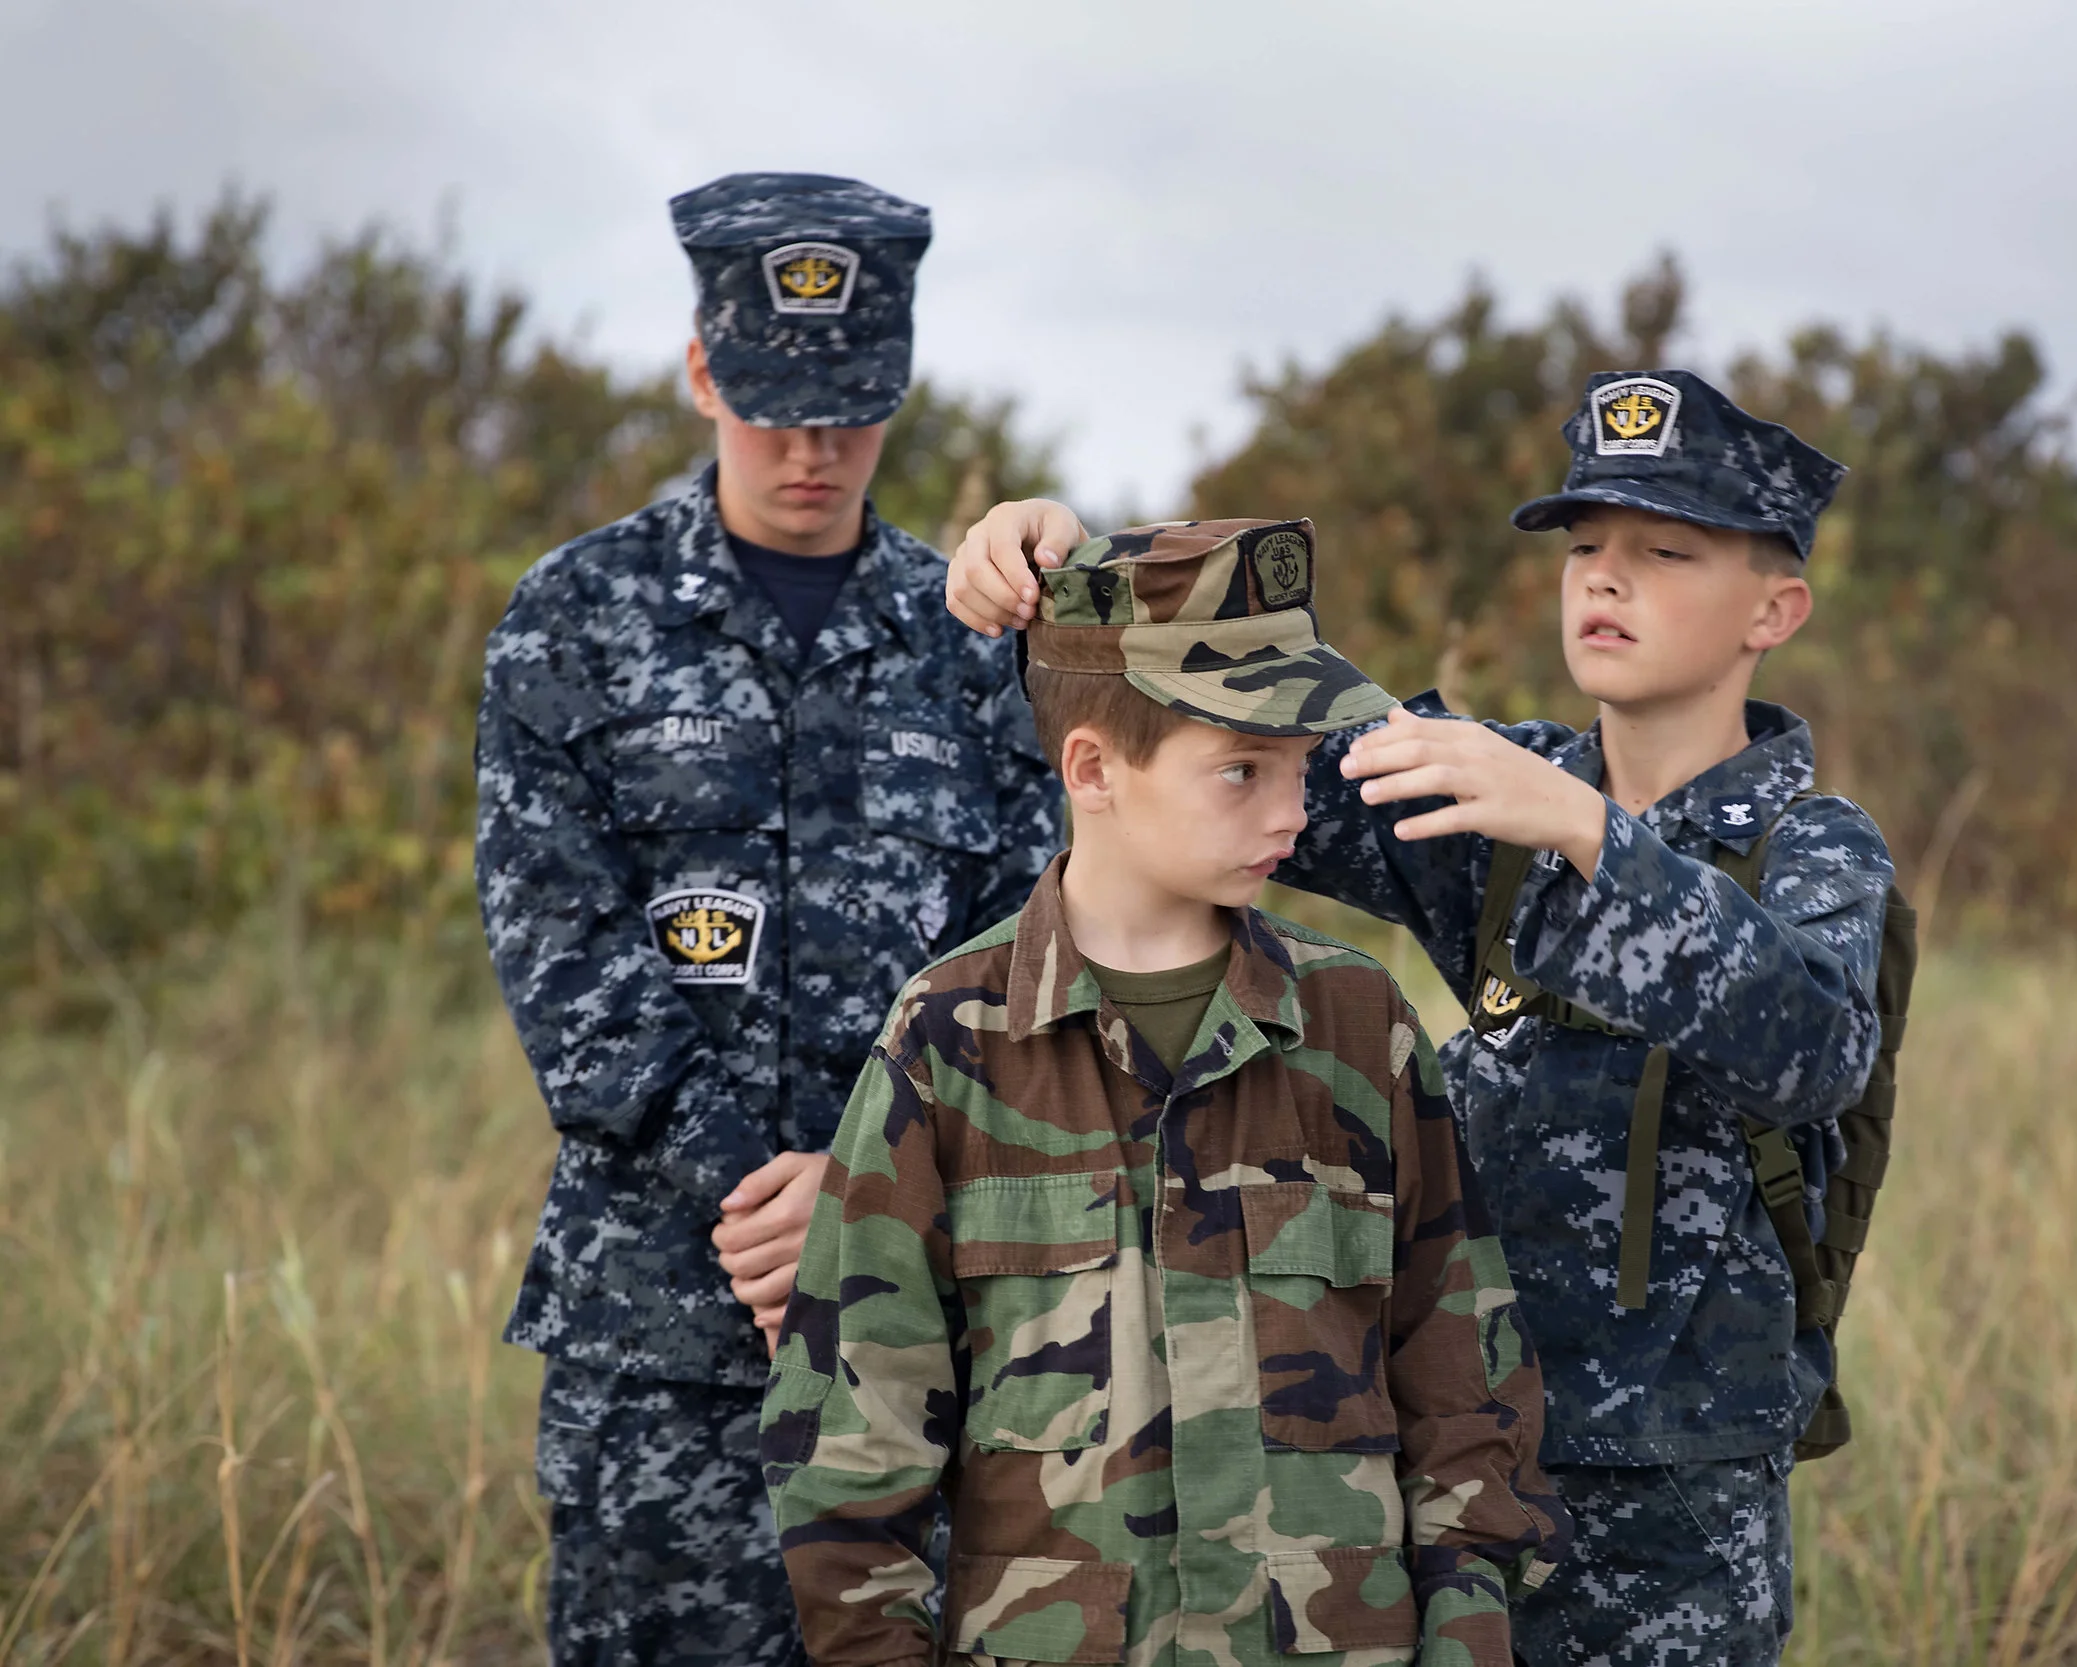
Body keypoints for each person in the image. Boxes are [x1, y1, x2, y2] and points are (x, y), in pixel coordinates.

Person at [945, 371, 1892, 1665]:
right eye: (1585, 548)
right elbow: (1234, 745)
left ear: (1774, 609)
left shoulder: (1808, 843)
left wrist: (1591, 836)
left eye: (1665, 552)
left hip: (1676, 1487)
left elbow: (1816, 1049)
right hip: (1446, 1449)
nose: (1605, 580)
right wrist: (1074, 583)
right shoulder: (1495, 791)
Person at [760, 518, 1571, 1667]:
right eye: (1241, 769)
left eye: (1297, 764)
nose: (1290, 812)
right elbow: (853, 1446)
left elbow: (1465, 1407)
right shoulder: (951, 1036)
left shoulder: (1356, 1024)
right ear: (1091, 767)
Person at [474, 171, 1059, 1667]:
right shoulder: (576, 620)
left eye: (850, 408)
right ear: (699, 371)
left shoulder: (972, 647)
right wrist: (760, 1196)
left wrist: (865, 1191)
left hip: (916, 1329)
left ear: (901, 388)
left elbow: (1027, 961)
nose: (812, 447)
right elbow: (564, 958)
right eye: (772, 402)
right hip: (658, 1340)